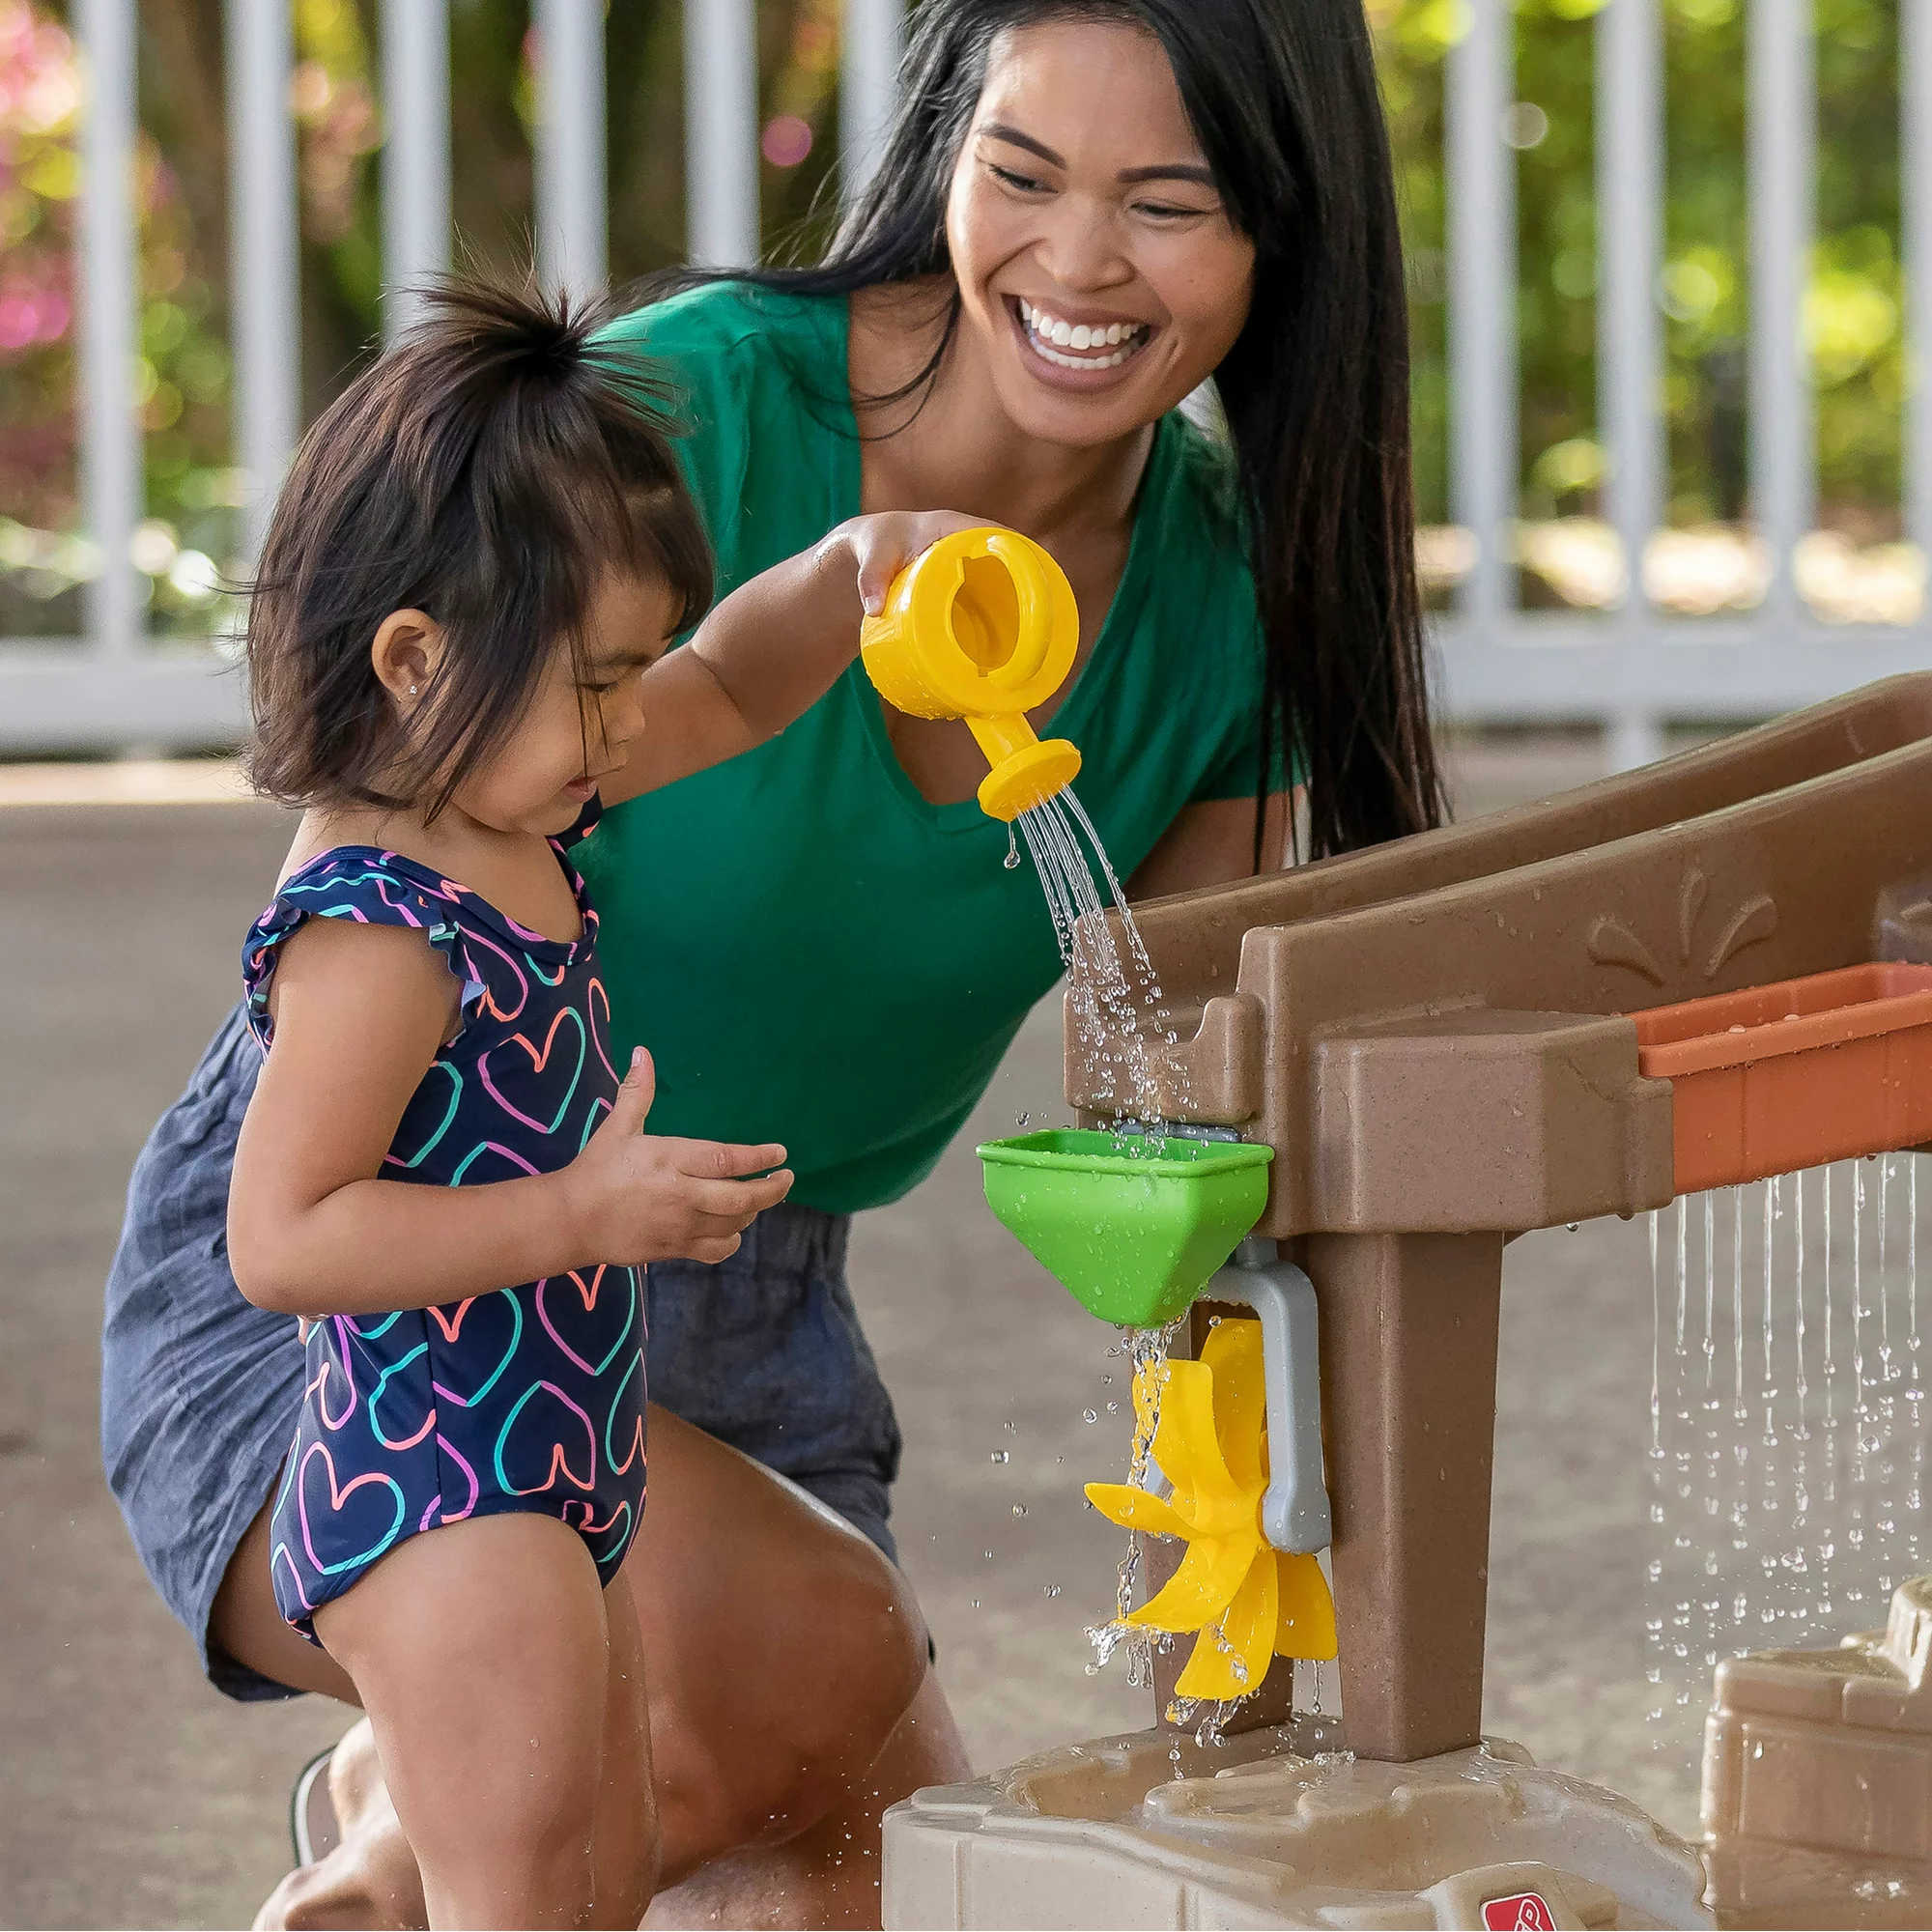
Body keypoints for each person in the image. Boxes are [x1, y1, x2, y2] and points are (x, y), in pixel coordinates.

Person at [101, 3, 1442, 1925]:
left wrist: (1243, 1524)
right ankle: (414, 1842)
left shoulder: (1223, 606)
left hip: (742, 1314)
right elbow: (368, 830)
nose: (1075, 261)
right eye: (1021, 171)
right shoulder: (659, 431)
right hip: (370, 1311)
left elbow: (1200, 1088)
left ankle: (397, 1839)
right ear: (943, 155)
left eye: (1169, 203)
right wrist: (561, 1194)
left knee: (856, 1863)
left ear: (1281, 237)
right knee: (789, 1687)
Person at [216, 278, 978, 1925]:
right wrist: (583, 1213)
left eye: (619, 677)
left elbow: (725, 686)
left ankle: (369, 1895)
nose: (623, 726)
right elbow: (281, 1237)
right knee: (525, 1894)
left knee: (603, 1869)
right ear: (414, 658)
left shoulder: (498, 786)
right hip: (440, 1482)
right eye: (591, 685)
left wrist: (852, 577)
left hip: (553, 1450)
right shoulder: (379, 915)